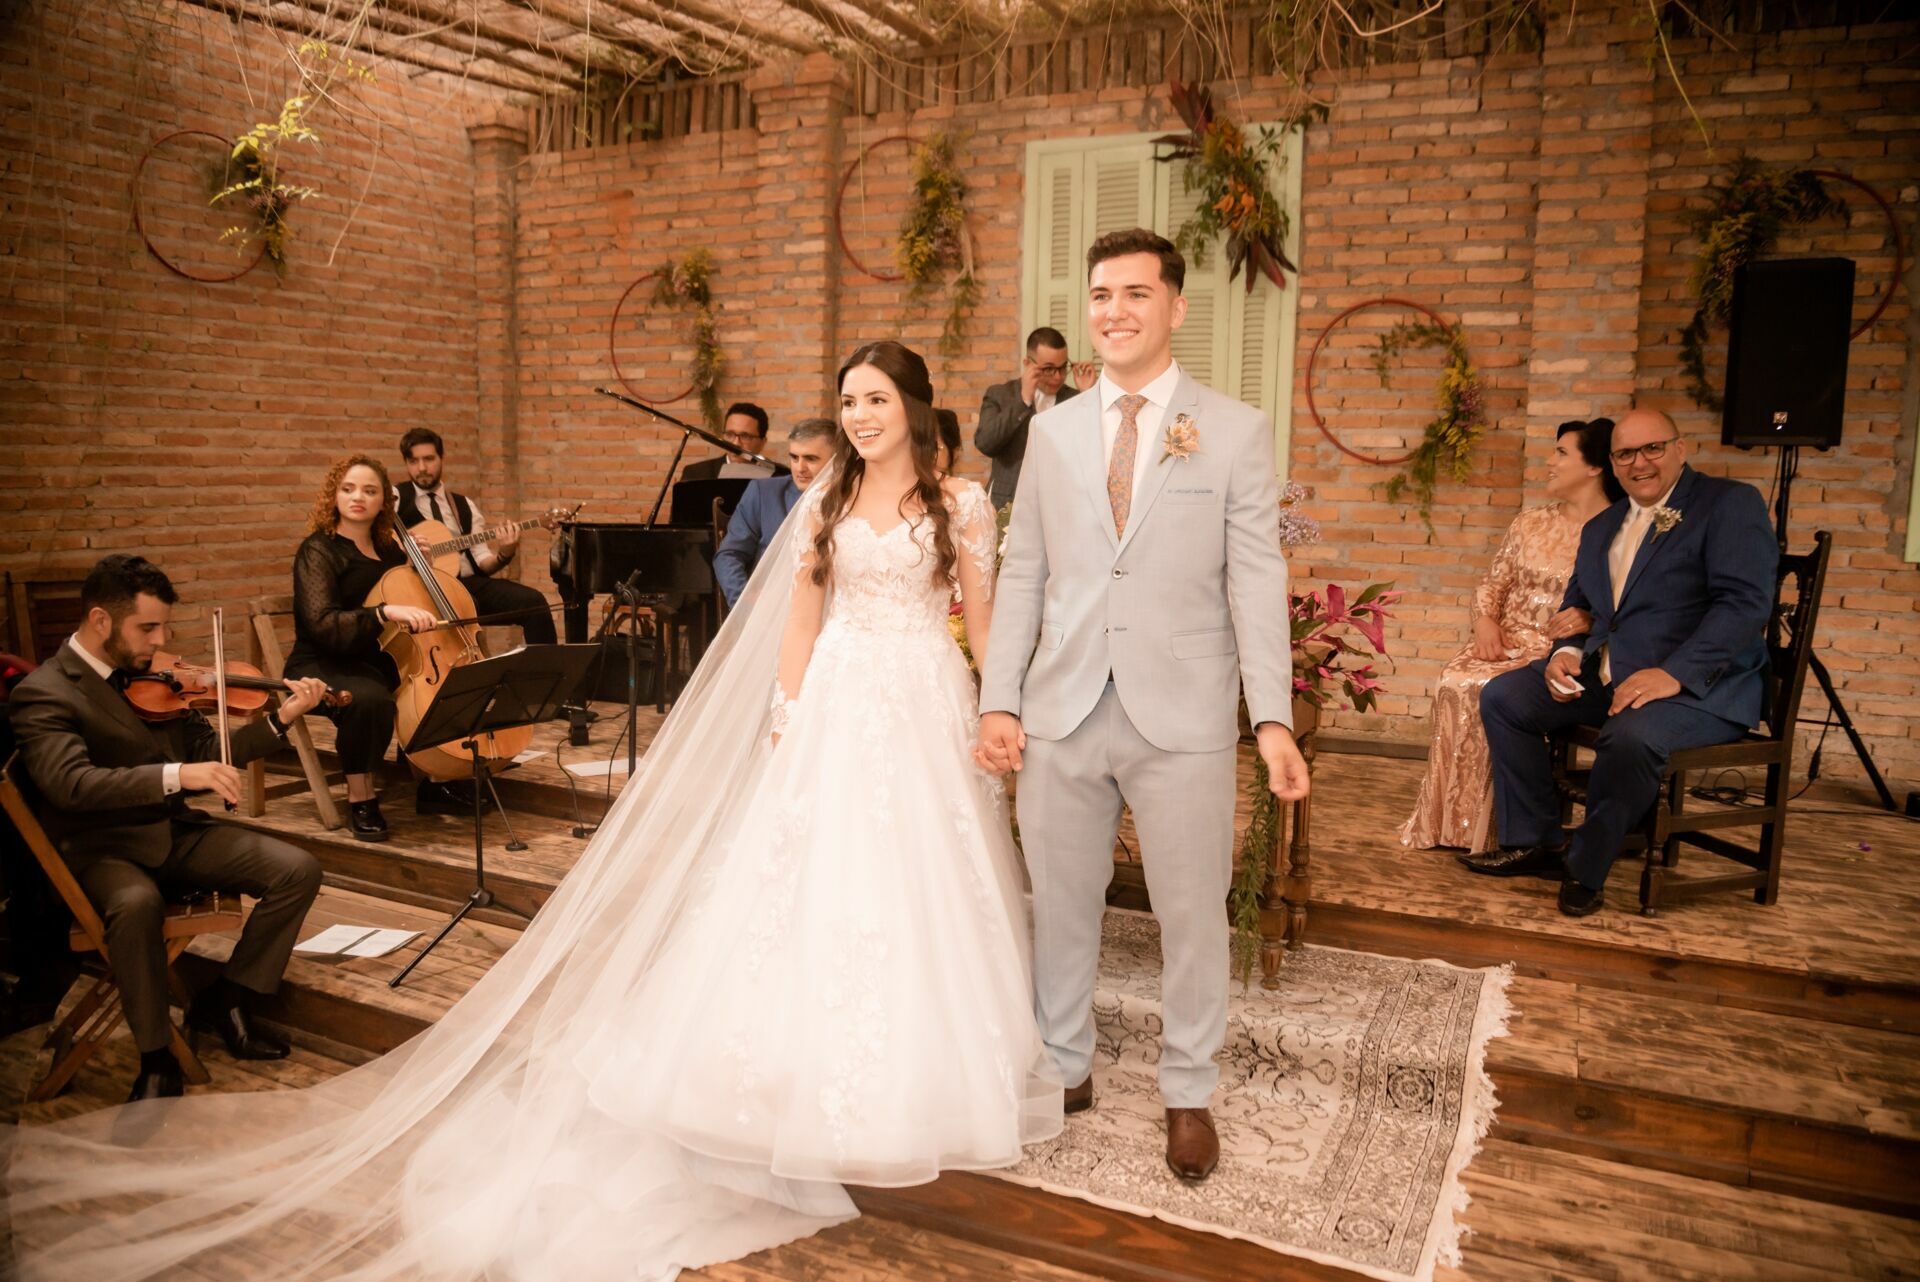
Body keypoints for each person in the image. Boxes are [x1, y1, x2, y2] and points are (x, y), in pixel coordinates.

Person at [4, 342, 1060, 1281]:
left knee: (926, 875)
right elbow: (801, 618)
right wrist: (785, 714)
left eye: (876, 398)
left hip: (925, 694)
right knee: (818, 876)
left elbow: (990, 610)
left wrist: (993, 701)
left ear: (915, 406)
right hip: (834, 701)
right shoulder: (824, 502)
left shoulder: (961, 501)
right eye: (848, 400)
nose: (861, 415)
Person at [976, 228, 1308, 1183]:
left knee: (1193, 912)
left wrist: (1272, 717)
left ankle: (1189, 1088)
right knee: (1062, 903)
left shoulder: (1234, 429)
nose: (1113, 311)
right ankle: (1067, 1064)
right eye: (1099, 296)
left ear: (1175, 307)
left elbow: (1255, 581)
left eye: (1133, 293)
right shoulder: (1051, 431)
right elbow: (1026, 569)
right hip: (1062, 709)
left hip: (1187, 714)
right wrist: (1002, 698)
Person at [7, 555, 328, 1102]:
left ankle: (227, 997)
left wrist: (282, 718)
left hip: (172, 832)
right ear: (101, 621)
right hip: (100, 849)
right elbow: (72, 785)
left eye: (163, 627)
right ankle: (157, 1057)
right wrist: (177, 774)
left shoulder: (153, 678)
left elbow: (208, 751)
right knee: (136, 906)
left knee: (297, 868)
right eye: (148, 628)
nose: (160, 641)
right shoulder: (45, 692)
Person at [1464, 409, 1777, 916]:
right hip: (1610, 675)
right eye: (1626, 453)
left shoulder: (1729, 504)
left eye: (1653, 448)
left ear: (1681, 448)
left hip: (1702, 687)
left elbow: (1743, 604)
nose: (1640, 462)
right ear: (1612, 462)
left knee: (1630, 736)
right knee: (1505, 697)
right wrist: (1565, 653)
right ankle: (1537, 840)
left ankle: (1585, 867)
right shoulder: (1605, 523)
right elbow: (1580, 600)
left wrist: (1673, 673)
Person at [1398, 419, 1624, 853]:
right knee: (1455, 679)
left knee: (1489, 689)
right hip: (1506, 637)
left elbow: (1625, 607)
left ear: (1595, 467)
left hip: (1555, 651)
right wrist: (1485, 621)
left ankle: (1496, 832)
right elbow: (1494, 583)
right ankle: (1453, 826)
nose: (1549, 462)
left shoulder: (1617, 532)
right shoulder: (1530, 522)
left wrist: (1590, 622)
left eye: (1561, 453)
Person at [286, 455, 447, 843]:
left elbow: (417, 603)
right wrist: (382, 611)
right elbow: (323, 624)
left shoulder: (390, 550)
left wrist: (420, 567)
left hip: (378, 655)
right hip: (324, 659)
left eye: (370, 490)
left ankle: (436, 780)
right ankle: (361, 799)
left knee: (443, 688)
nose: (358, 497)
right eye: (348, 488)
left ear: (382, 503)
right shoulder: (318, 551)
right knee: (370, 700)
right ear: (334, 496)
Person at [395, 428, 557, 647]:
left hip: (466, 585)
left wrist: (504, 554)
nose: (422, 468)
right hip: (420, 590)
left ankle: (546, 674)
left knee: (534, 602)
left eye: (429, 459)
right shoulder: (394, 500)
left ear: (442, 458)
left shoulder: (464, 506)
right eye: (414, 461)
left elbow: (482, 562)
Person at [713, 417, 833, 607]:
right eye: (794, 457)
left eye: (811, 459)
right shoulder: (763, 493)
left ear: (836, 460)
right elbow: (729, 555)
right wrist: (745, 603)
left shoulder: (853, 497)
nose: (800, 468)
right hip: (770, 607)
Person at [974, 327, 1091, 508]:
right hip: (1007, 505)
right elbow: (985, 443)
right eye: (1049, 369)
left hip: (1062, 505)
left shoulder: (1077, 399)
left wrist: (1088, 396)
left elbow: (1092, 452)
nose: (1058, 377)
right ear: (1028, 363)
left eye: (1062, 368)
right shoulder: (1000, 394)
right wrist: (1024, 400)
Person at [681, 402, 790, 481]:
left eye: (745, 436)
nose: (736, 443)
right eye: (730, 434)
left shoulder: (780, 476)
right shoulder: (696, 474)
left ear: (763, 442)